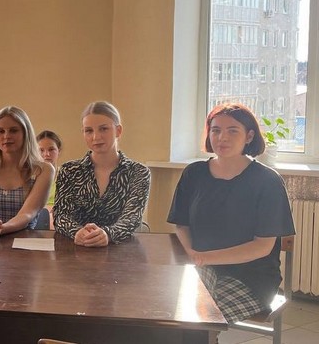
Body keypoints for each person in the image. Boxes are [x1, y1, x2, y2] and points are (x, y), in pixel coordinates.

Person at [167, 103, 295, 323]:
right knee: (172, 310)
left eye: (232, 130)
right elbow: (182, 225)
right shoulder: (194, 173)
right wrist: (192, 254)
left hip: (251, 277)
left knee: (202, 317)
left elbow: (262, 246)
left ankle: (203, 336)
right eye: (216, 130)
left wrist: (203, 257)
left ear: (249, 136)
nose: (222, 138)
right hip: (201, 267)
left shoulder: (268, 181)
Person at [53, 101, 150, 247]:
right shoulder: (69, 171)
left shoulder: (139, 172)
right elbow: (61, 215)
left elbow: (132, 218)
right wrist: (77, 232)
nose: (96, 137)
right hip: (78, 248)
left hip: (121, 250)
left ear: (118, 131)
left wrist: (108, 234)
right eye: (89, 131)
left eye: (103, 129)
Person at [0, 106, 53, 239]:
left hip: (24, 240)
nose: (6, 136)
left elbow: (27, 214)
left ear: (25, 133)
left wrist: (0, 229)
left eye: (13, 130)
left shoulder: (44, 170)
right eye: (0, 131)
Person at [37, 130, 62, 215]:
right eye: (41, 150)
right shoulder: (30, 177)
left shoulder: (66, 175)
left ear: (59, 151)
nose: (46, 154)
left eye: (51, 149)